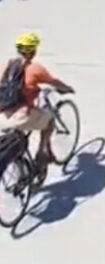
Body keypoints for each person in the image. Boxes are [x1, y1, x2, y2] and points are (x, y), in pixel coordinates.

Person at [0, 32, 75, 177]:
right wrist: (67, 89)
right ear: (33, 51)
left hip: (2, 115)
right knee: (49, 120)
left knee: (17, 135)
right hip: (21, 115)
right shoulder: (35, 69)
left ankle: (19, 164)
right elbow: (55, 82)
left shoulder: (5, 66)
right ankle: (42, 152)